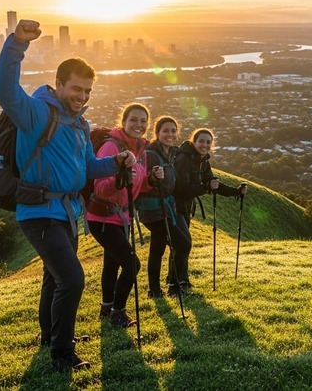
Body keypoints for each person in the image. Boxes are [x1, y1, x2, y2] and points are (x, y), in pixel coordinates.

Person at [0, 19, 136, 372]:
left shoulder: (80, 125)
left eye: (87, 91)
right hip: (38, 211)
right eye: (76, 89)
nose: (82, 96)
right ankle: (61, 354)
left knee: (54, 279)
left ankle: (51, 337)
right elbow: (4, 91)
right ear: (58, 85)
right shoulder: (37, 113)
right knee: (72, 279)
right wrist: (16, 44)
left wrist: (115, 161)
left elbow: (87, 167)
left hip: (67, 211)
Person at [86, 103, 163, 328]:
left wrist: (150, 180)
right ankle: (118, 312)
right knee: (132, 265)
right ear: (124, 121)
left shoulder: (140, 150)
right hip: (101, 217)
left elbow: (137, 185)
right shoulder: (112, 147)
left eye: (142, 121)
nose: (138, 125)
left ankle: (106, 307)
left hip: (121, 218)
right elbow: (100, 186)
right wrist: (119, 180)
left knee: (112, 265)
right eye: (134, 120)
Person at [172, 128, 248, 294]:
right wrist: (204, 187)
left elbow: (213, 184)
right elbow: (180, 188)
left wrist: (236, 192)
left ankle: (182, 281)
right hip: (174, 206)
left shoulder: (203, 161)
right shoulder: (184, 159)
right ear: (193, 141)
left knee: (182, 245)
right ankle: (174, 285)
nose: (204, 145)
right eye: (201, 141)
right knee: (183, 245)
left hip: (186, 206)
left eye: (208, 142)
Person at [137, 117, 192, 298]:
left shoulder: (170, 154)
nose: (170, 134)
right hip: (153, 211)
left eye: (173, 131)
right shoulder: (152, 155)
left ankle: (154, 290)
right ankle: (174, 287)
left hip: (165, 209)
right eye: (166, 131)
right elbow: (146, 181)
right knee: (182, 245)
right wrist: (153, 177)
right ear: (157, 133)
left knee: (157, 249)